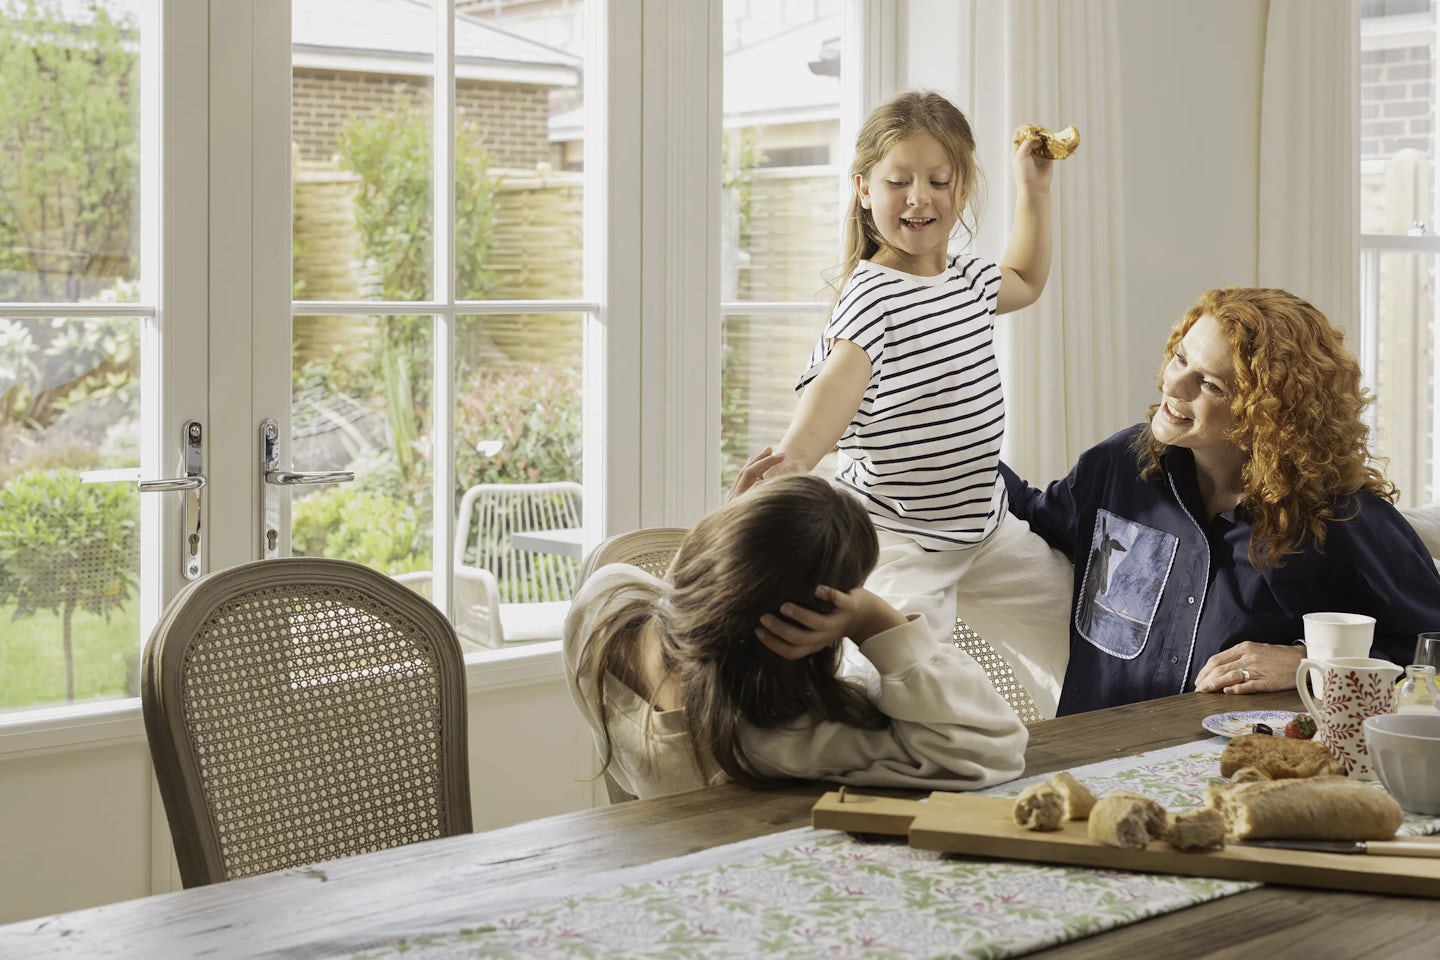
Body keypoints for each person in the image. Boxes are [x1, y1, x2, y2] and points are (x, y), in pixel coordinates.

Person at [745, 90, 1073, 716]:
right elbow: (833, 394)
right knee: (899, 686)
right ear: (865, 190)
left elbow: (1028, 280)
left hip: (987, 528)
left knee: (1086, 626)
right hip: (901, 540)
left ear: (962, 191)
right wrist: (792, 461)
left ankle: (1086, 740)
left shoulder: (968, 280)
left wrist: (1033, 188)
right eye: (898, 182)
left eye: (938, 181)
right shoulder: (871, 299)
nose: (919, 197)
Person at [1002, 286, 1440, 716]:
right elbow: (1033, 514)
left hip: (1233, 760)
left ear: (1267, 415)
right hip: (1089, 753)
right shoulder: (1121, 464)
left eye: (1209, 384)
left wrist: (1308, 662)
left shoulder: (1337, 515)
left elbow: (1429, 648)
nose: (1174, 385)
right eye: (1180, 359)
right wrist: (964, 437)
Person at [563, 474, 1028, 800]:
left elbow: (677, 602)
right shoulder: (782, 740)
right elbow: (993, 748)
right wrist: (870, 617)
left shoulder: (598, 615)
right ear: (809, 626)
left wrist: (731, 540)